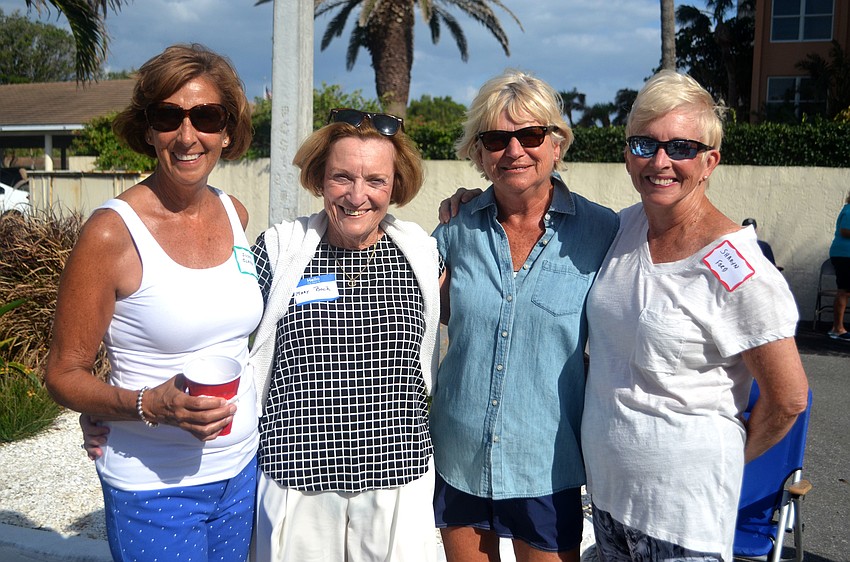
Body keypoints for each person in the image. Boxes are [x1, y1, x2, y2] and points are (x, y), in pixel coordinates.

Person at [581, 70, 809, 562]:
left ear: (710, 162)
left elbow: (788, 399)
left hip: (682, 519)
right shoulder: (623, 227)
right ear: (627, 153)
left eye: (681, 147)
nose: (660, 161)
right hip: (607, 502)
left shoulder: (739, 269)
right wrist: (476, 203)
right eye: (644, 144)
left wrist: (721, 459)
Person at [45, 44, 262, 562]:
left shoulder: (236, 214)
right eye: (169, 116)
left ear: (227, 132)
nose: (188, 136)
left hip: (242, 472)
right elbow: (62, 374)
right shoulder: (111, 233)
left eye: (206, 116)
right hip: (153, 487)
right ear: (148, 130)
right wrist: (147, 405)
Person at [432, 69, 618, 562]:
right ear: (478, 154)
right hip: (460, 454)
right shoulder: (453, 231)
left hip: (547, 462)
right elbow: (421, 312)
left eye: (531, 135)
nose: (514, 150)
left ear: (556, 145)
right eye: (496, 138)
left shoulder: (604, 233)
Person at [247, 109, 441, 560]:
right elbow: (217, 332)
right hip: (296, 476)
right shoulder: (277, 250)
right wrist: (127, 403)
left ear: (396, 185)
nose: (358, 196)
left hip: (398, 476)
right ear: (318, 179)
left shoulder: (423, 254)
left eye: (376, 180)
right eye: (342, 177)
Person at [828, 190, 850, 340]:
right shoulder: (849, 210)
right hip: (845, 254)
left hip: (844, 254)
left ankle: (837, 328)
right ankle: (837, 329)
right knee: (845, 290)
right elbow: (845, 230)